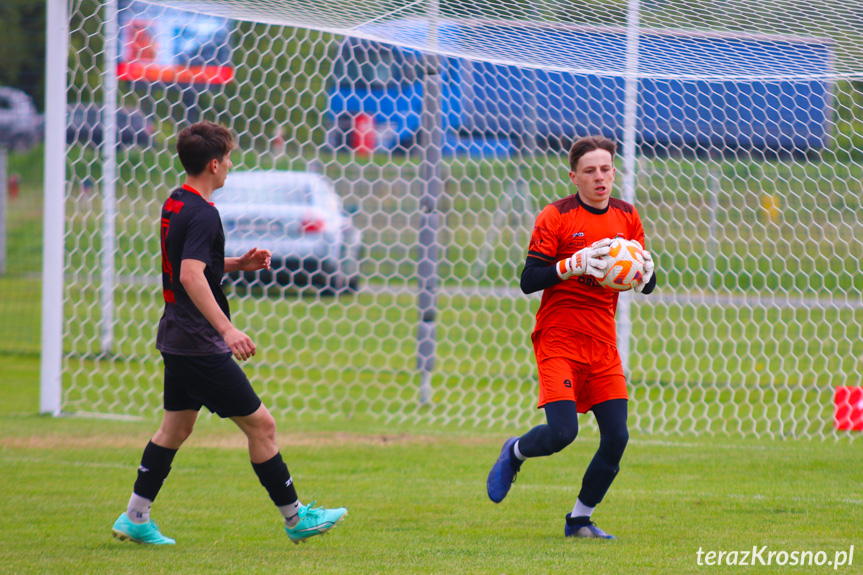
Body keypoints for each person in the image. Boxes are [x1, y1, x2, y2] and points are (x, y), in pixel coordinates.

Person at [111, 121, 347, 545]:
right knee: (262, 426)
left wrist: (238, 263)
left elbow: (193, 262)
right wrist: (227, 329)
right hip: (200, 344)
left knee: (175, 430)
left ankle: (135, 517)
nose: (231, 167)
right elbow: (189, 275)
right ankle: (297, 520)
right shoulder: (203, 212)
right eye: (230, 159)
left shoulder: (176, 203)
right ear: (214, 163)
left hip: (176, 336)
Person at [485, 135, 656, 539]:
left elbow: (643, 284)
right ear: (574, 176)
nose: (600, 177)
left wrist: (647, 274)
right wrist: (571, 265)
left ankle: (580, 519)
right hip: (559, 337)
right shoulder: (556, 216)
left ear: (615, 171)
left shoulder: (628, 217)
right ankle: (515, 452)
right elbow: (529, 280)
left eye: (606, 169)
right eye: (591, 171)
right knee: (563, 433)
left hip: (602, 343)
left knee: (617, 436)